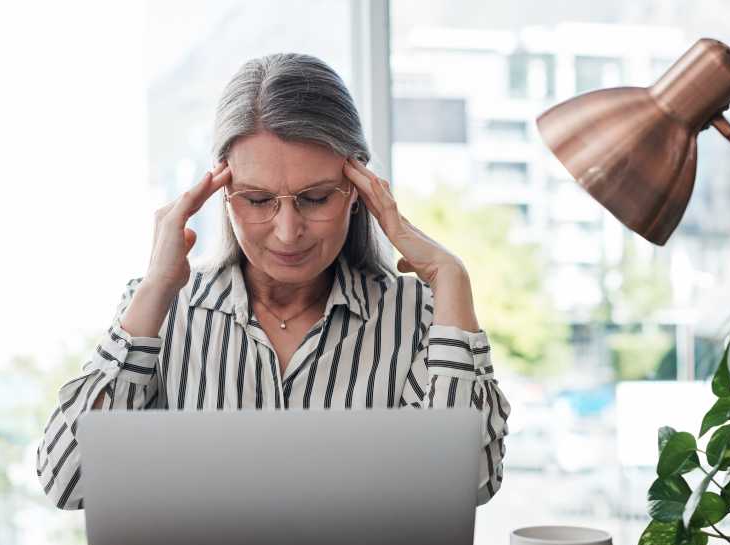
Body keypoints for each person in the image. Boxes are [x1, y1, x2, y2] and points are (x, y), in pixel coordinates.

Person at [35, 53, 510, 511]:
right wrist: (157, 288)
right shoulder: (163, 312)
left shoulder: (419, 314)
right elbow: (67, 480)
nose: (288, 231)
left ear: (360, 190)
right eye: (258, 200)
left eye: (316, 197)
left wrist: (450, 279)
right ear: (221, 193)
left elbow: (469, 484)